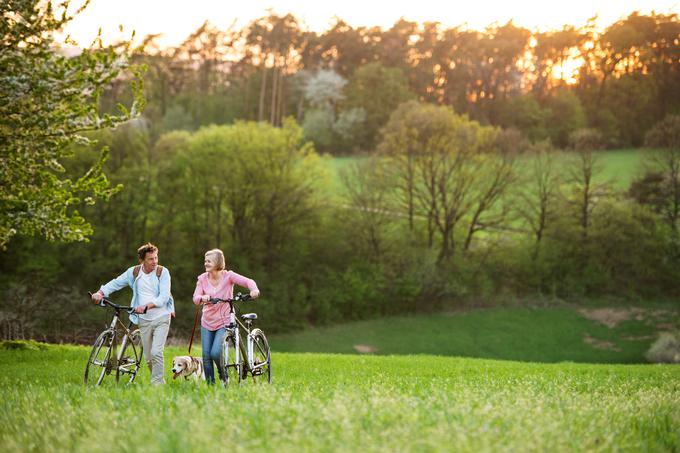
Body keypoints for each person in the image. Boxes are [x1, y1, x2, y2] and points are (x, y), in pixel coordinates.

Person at [91, 242, 175, 385]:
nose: (154, 261)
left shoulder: (163, 272)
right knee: (148, 358)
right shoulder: (134, 272)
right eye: (150, 259)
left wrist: (146, 306)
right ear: (142, 260)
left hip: (162, 317)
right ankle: (160, 382)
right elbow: (116, 283)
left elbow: (164, 297)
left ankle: (158, 386)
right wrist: (100, 292)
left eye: (156, 258)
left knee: (156, 353)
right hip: (143, 319)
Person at [192, 248, 259, 385]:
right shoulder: (202, 279)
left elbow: (248, 281)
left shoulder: (229, 276)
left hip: (224, 320)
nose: (205, 263)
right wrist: (202, 297)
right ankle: (211, 386)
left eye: (208, 261)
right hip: (207, 321)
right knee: (206, 357)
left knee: (215, 353)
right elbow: (195, 298)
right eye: (205, 261)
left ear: (217, 262)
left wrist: (254, 290)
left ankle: (223, 377)